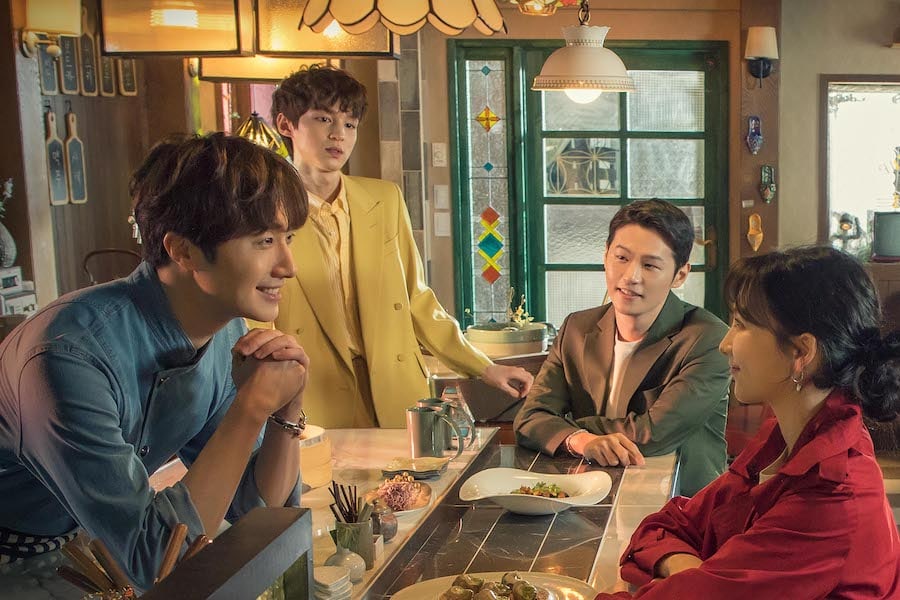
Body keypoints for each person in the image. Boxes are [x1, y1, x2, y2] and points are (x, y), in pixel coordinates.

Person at [0, 134, 310, 589]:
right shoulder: (68, 357)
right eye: (264, 240)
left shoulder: (223, 330)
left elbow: (257, 510)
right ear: (183, 250)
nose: (289, 265)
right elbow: (157, 562)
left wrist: (287, 407)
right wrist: (250, 407)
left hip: (86, 550)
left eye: (288, 238)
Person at [595, 246, 900, 599]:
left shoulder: (831, 497)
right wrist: (696, 575)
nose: (725, 344)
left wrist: (694, 580)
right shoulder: (784, 439)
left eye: (740, 325)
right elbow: (663, 527)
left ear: (801, 352)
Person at [263, 65, 532, 428]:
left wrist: (484, 367)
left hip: (393, 390)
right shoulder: (265, 209)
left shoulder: (383, 199)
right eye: (323, 119)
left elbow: (416, 300)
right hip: (309, 390)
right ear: (286, 124)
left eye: (349, 124)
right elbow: (254, 316)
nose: (338, 134)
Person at [515, 200, 730, 496]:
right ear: (605, 256)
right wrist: (580, 439)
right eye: (621, 258)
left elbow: (652, 434)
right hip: (589, 493)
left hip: (681, 503)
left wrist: (565, 426)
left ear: (680, 275)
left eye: (650, 265)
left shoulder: (708, 338)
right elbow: (530, 418)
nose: (631, 276)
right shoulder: (576, 328)